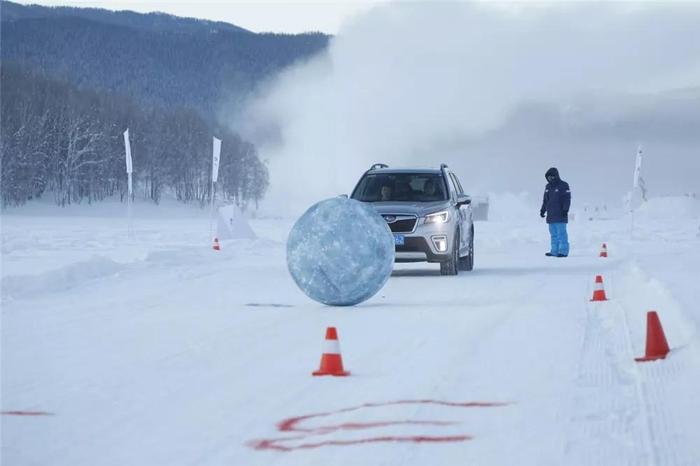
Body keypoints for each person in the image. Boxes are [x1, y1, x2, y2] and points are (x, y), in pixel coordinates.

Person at [540, 167, 571, 257]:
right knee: (553, 235)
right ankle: (554, 251)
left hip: (560, 215)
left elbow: (567, 199)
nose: (550, 179)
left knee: (561, 234)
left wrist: (565, 210)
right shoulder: (548, 187)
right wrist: (542, 210)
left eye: (551, 177)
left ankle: (563, 251)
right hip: (551, 216)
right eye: (548, 177)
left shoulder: (564, 185)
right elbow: (545, 200)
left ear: (556, 176)